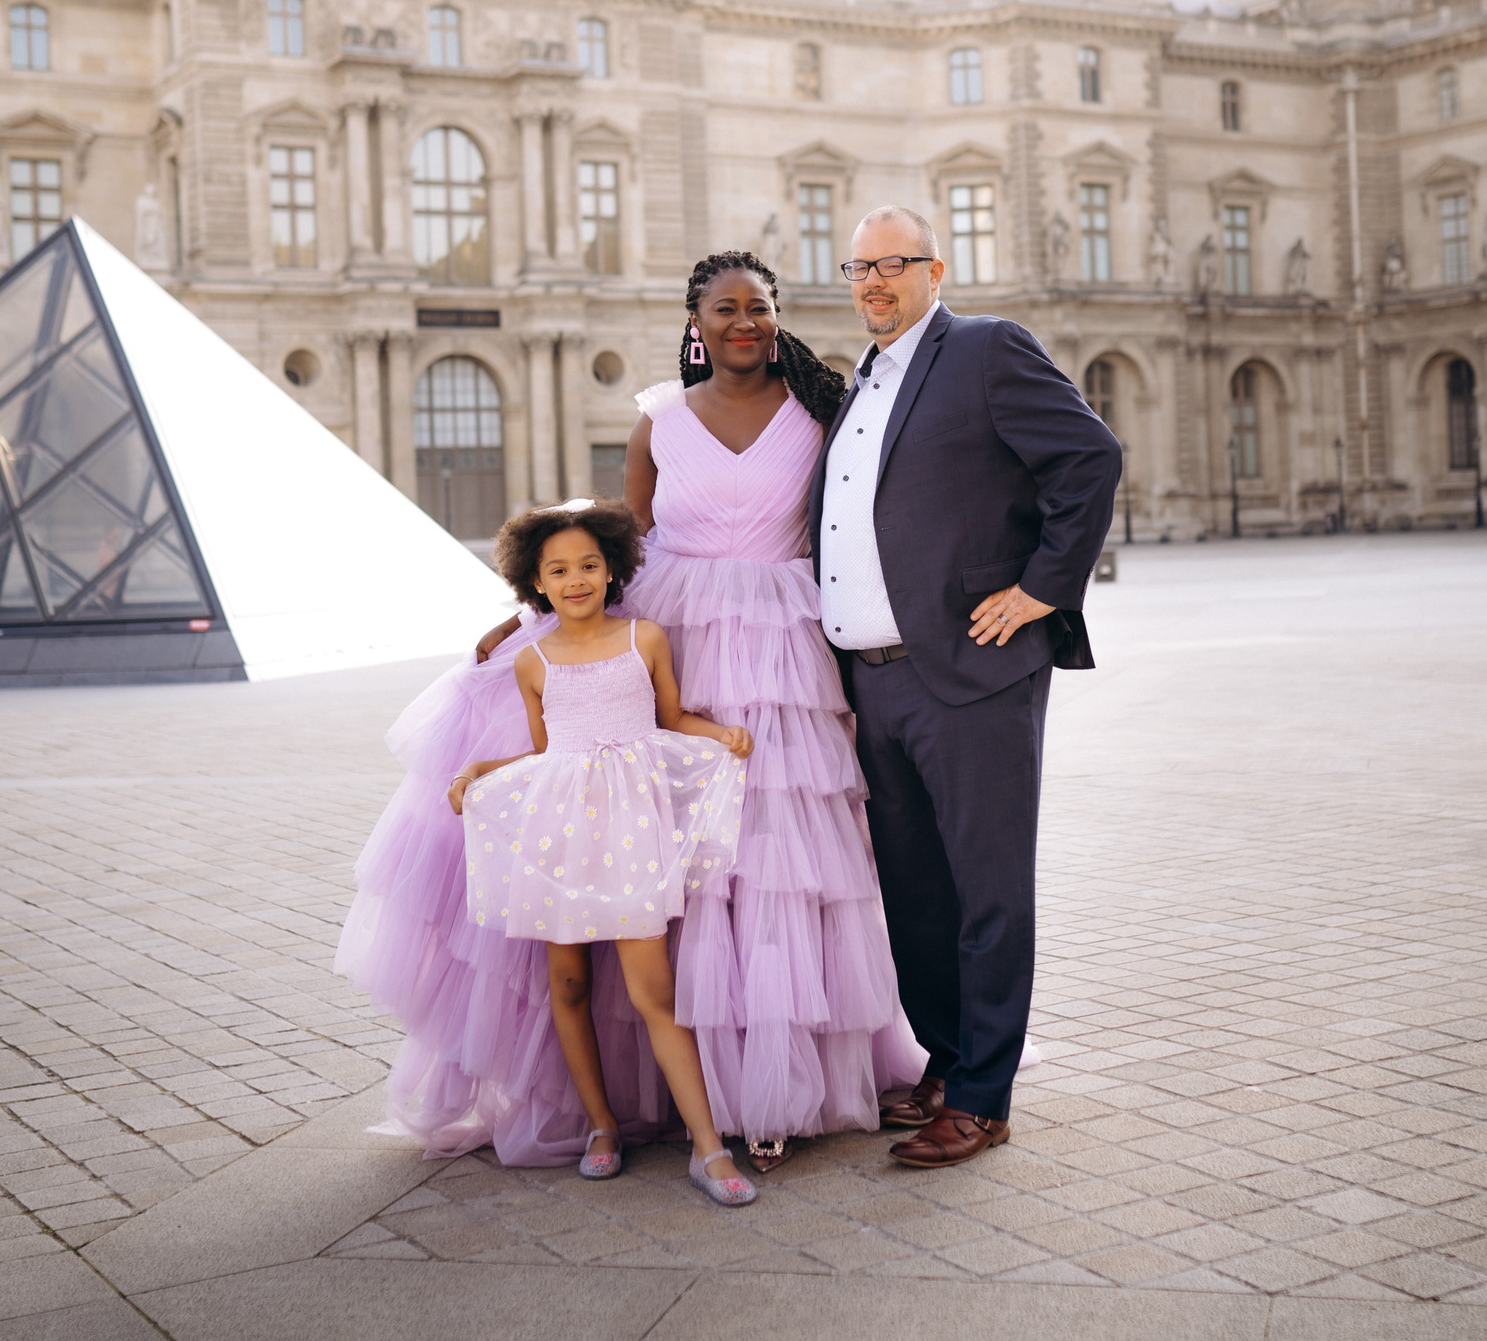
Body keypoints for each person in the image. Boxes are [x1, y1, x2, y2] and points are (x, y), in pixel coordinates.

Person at [474, 252, 925, 1170]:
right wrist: (528, 616)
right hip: (676, 646)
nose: (744, 323)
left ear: (776, 315)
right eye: (725, 309)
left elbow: (861, 520)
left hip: (787, 655)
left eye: (758, 308)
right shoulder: (658, 418)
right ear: (697, 321)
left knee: (777, 862)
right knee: (678, 864)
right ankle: (687, 1093)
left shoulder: (821, 411)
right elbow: (621, 545)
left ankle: (777, 1087)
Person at [814, 206, 1121, 1168]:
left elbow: (1090, 456)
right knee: (915, 891)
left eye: (892, 265)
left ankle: (984, 1095)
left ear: (934, 270)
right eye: (858, 267)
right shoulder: (859, 381)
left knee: (988, 890)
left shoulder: (984, 350)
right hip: (873, 685)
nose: (873, 282)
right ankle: (946, 1062)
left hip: (971, 675)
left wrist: (1039, 589)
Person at [449, 502, 758, 1204]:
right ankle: (600, 1125)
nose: (577, 578)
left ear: (612, 567)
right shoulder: (532, 660)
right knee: (569, 984)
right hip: (559, 835)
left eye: (588, 564)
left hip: (632, 833)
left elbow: (671, 717)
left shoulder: (645, 637)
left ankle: (707, 1145)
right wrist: (477, 772)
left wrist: (719, 734)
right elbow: (542, 751)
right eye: (558, 570)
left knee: (655, 991)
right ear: (537, 583)